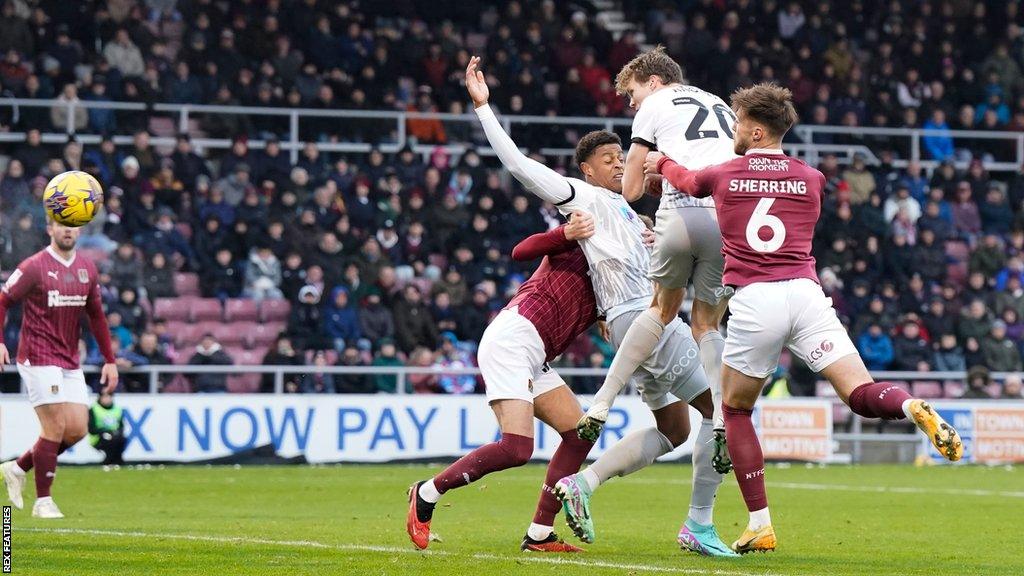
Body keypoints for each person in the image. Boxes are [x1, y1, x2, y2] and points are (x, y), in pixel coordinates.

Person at [645, 83, 963, 553]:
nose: (733, 130)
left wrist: (661, 164)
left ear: (756, 131)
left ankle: (760, 522)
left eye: (737, 123)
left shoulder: (727, 174)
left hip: (756, 299)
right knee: (859, 393)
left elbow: (690, 184)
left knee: (734, 411)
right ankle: (908, 405)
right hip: (808, 295)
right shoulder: (812, 178)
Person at [460, 57, 734, 556]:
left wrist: (653, 239)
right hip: (644, 320)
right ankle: (698, 523)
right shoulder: (581, 196)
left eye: (619, 156)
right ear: (586, 169)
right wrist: (484, 110)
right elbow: (519, 166)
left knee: (675, 429)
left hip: (638, 328)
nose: (618, 163)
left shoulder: (633, 217)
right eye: (608, 158)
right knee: (725, 416)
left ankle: (583, 487)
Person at [583, 47, 737, 482]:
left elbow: (630, 190)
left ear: (653, 81)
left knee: (661, 309)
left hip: (683, 213)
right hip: (729, 219)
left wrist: (650, 179)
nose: (631, 103)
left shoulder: (654, 104)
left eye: (631, 93)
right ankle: (724, 415)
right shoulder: (719, 103)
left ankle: (602, 401)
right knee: (707, 325)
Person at [407, 210, 599, 553]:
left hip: (535, 354)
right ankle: (426, 493)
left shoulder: (614, 281)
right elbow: (522, 250)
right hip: (514, 337)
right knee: (516, 448)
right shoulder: (581, 243)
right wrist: (566, 232)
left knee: (579, 433)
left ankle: (539, 534)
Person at [0, 219, 119, 519]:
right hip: (38, 356)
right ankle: (44, 502)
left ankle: (17, 468)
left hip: (69, 359)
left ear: (79, 231)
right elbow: (3, 301)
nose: (68, 230)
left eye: (73, 225)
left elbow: (97, 316)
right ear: (50, 229)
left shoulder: (87, 268)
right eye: (61, 225)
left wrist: (109, 359)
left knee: (77, 430)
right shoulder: (34, 266)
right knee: (54, 428)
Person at [88, 391, 125, 465]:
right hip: (98, 437)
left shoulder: (117, 409)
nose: (106, 399)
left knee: (121, 439)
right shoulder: (94, 409)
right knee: (109, 440)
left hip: (114, 435)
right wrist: (105, 431)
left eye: (108, 397)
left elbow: (121, 426)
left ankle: (118, 461)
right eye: (104, 397)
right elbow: (91, 429)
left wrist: (117, 433)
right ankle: (108, 461)